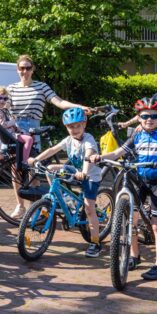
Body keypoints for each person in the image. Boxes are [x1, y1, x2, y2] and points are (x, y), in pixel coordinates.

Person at [90, 98, 157, 281]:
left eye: (153, 116)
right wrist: (99, 156)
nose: (149, 119)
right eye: (144, 116)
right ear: (139, 118)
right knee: (131, 221)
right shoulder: (136, 136)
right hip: (139, 181)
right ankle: (134, 256)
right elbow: (118, 153)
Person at [28, 108, 104, 258]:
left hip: (90, 176)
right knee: (50, 169)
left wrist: (84, 171)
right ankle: (63, 197)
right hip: (74, 170)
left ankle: (95, 243)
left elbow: (88, 156)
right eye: (71, 127)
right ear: (66, 127)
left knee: (89, 209)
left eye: (78, 126)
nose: (74, 130)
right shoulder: (68, 140)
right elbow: (53, 149)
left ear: (84, 124)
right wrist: (36, 160)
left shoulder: (88, 139)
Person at [7, 54, 89, 148]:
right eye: (22, 68)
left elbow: (60, 102)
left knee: (32, 159)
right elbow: (4, 107)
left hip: (33, 127)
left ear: (32, 69)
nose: (25, 71)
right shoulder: (11, 88)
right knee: (11, 159)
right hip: (15, 128)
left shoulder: (42, 87)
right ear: (17, 70)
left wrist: (80, 107)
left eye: (28, 68)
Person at [0, 86, 35, 217]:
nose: (3, 100)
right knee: (29, 141)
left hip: (12, 134)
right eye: (0, 98)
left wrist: (16, 126)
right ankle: (24, 161)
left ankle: (32, 206)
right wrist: (13, 121)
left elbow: (11, 124)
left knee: (28, 138)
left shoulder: (4, 110)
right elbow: (3, 124)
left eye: (5, 98)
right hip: (10, 137)